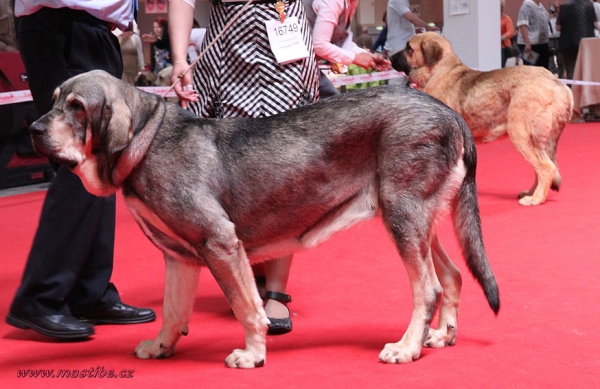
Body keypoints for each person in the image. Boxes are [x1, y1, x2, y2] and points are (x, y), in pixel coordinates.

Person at [168, 0, 320, 335]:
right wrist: (180, 58)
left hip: (287, 59)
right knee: (230, 175)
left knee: (287, 174)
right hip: (229, 60)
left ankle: (277, 291)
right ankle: (251, 267)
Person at [6, 0, 156, 340]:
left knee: (100, 162)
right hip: (65, 24)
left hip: (88, 30)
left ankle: (91, 292)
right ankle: (39, 298)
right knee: (81, 161)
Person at [304, 0, 391, 97]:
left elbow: (341, 42)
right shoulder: (334, 1)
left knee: (334, 104)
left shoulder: (351, 3)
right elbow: (319, 45)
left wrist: (368, 56)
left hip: (309, 68)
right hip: (294, 69)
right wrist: (355, 58)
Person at [386, 0, 439, 84]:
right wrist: (427, 26)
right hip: (400, 48)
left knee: (405, 81)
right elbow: (410, 17)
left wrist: (414, 30)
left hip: (402, 47)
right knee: (398, 82)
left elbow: (403, 22)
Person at [556, 0, 598, 80]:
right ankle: (585, 90)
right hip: (586, 43)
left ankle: (572, 90)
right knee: (585, 69)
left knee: (570, 69)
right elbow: (596, 25)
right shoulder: (590, 6)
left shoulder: (564, 7)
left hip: (568, 43)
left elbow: (558, 28)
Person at [516, 0, 551, 69]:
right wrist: (527, 43)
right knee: (531, 69)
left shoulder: (540, 6)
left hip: (541, 44)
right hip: (530, 46)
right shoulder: (527, 4)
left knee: (544, 69)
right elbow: (522, 24)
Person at [501, 0, 516, 67]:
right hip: (493, 47)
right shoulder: (491, 18)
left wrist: (502, 37)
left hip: (504, 47)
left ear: (502, 7)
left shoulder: (507, 19)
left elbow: (511, 31)